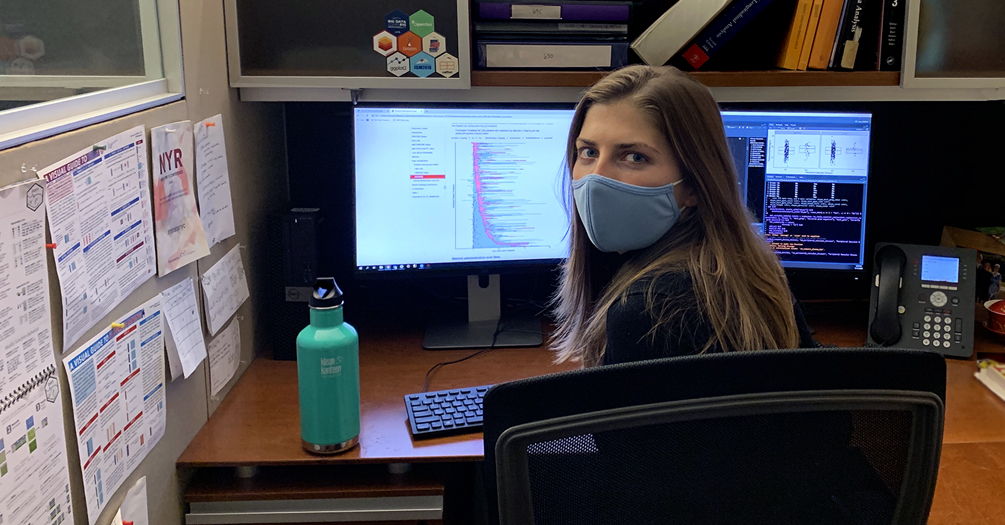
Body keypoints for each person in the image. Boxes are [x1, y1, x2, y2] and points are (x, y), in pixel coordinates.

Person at [550, 65, 815, 368]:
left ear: (694, 185)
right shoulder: (746, 267)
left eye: (635, 157)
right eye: (588, 152)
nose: (597, 178)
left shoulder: (649, 309)